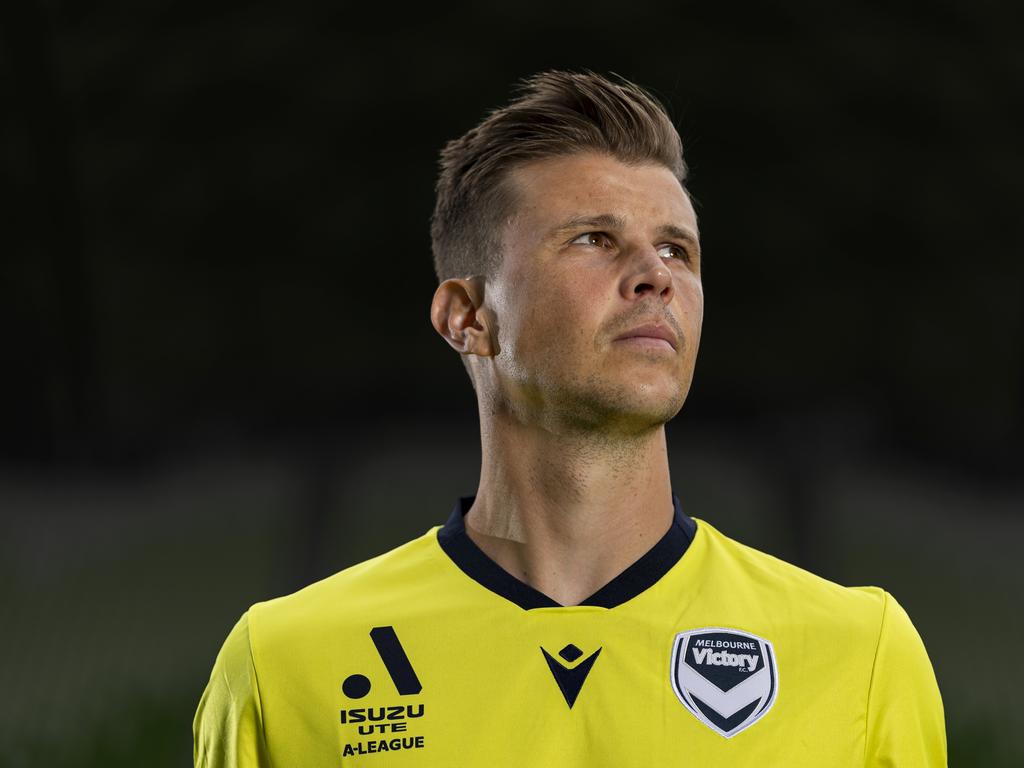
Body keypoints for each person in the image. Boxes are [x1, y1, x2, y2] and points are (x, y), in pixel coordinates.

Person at [193, 69, 946, 767]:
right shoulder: (286, 663)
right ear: (467, 318)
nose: (656, 276)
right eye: (594, 239)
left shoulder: (857, 654)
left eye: (677, 251)